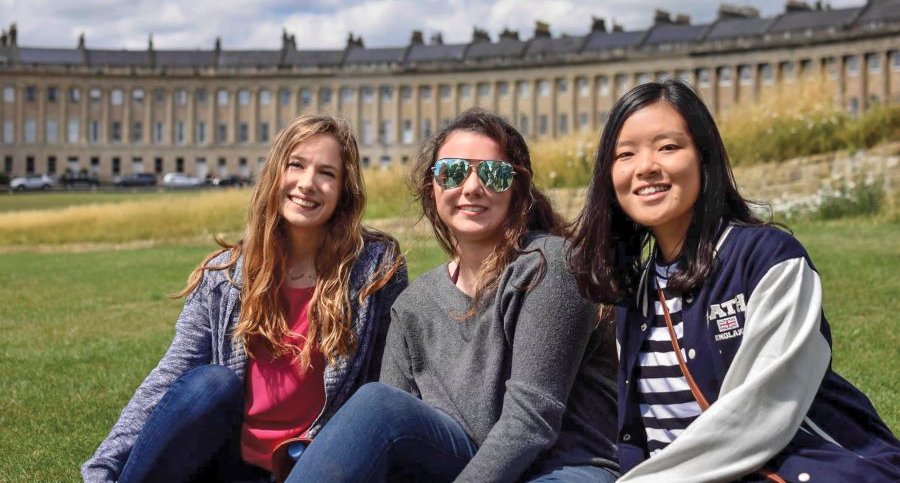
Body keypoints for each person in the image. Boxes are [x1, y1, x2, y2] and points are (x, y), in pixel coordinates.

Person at [568, 79, 900, 482]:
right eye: (625, 154)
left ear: (704, 158)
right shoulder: (634, 294)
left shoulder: (770, 259)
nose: (646, 166)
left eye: (668, 147)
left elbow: (759, 416)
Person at [286, 108, 619, 483]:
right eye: (453, 172)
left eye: (493, 174)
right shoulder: (413, 306)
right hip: (463, 464)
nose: (472, 187)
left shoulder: (549, 266)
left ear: (517, 189)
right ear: (433, 187)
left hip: (560, 468)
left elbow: (531, 423)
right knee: (376, 403)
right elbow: (392, 434)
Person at [82, 115, 407, 483]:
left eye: (326, 173)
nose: (307, 183)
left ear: (344, 190)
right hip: (227, 461)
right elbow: (171, 375)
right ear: (274, 174)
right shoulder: (225, 274)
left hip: (312, 464)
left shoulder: (375, 268)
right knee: (210, 383)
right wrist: (103, 466)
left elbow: (386, 385)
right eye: (295, 165)